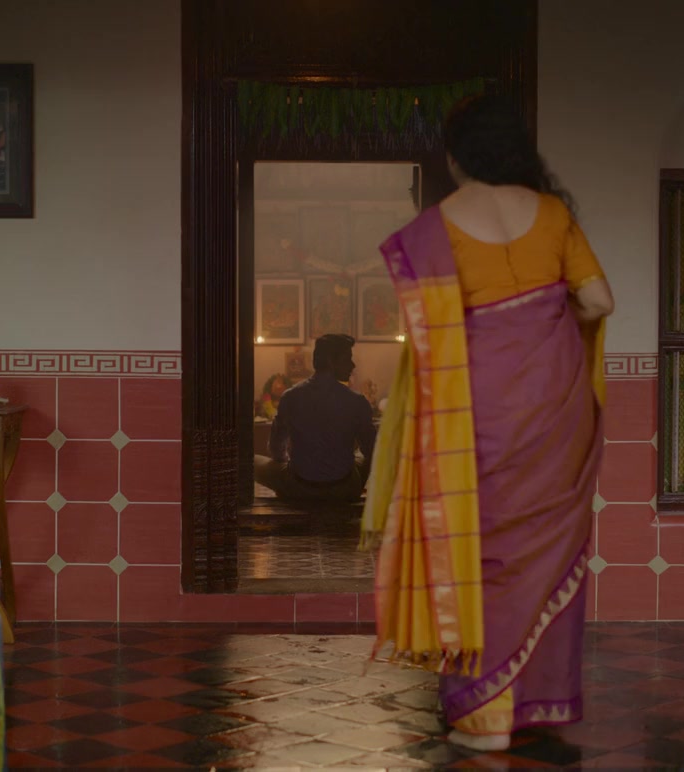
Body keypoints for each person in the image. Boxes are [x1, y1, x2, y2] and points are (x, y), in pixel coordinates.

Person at [361, 94, 614, 753]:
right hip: (557, 412)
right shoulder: (554, 214)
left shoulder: (435, 227)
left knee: (481, 552)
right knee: (542, 551)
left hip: (473, 411)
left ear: (456, 156)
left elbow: (428, 336)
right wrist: (545, 328)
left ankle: (484, 715)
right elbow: (597, 300)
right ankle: (532, 702)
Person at [254, 334, 377, 503]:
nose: (352, 365)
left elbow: (276, 450)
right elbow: (371, 450)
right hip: (344, 490)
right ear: (331, 362)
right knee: (367, 456)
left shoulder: (290, 397)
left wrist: (294, 462)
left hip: (299, 488)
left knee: (253, 461)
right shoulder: (357, 401)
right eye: (347, 359)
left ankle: (283, 490)